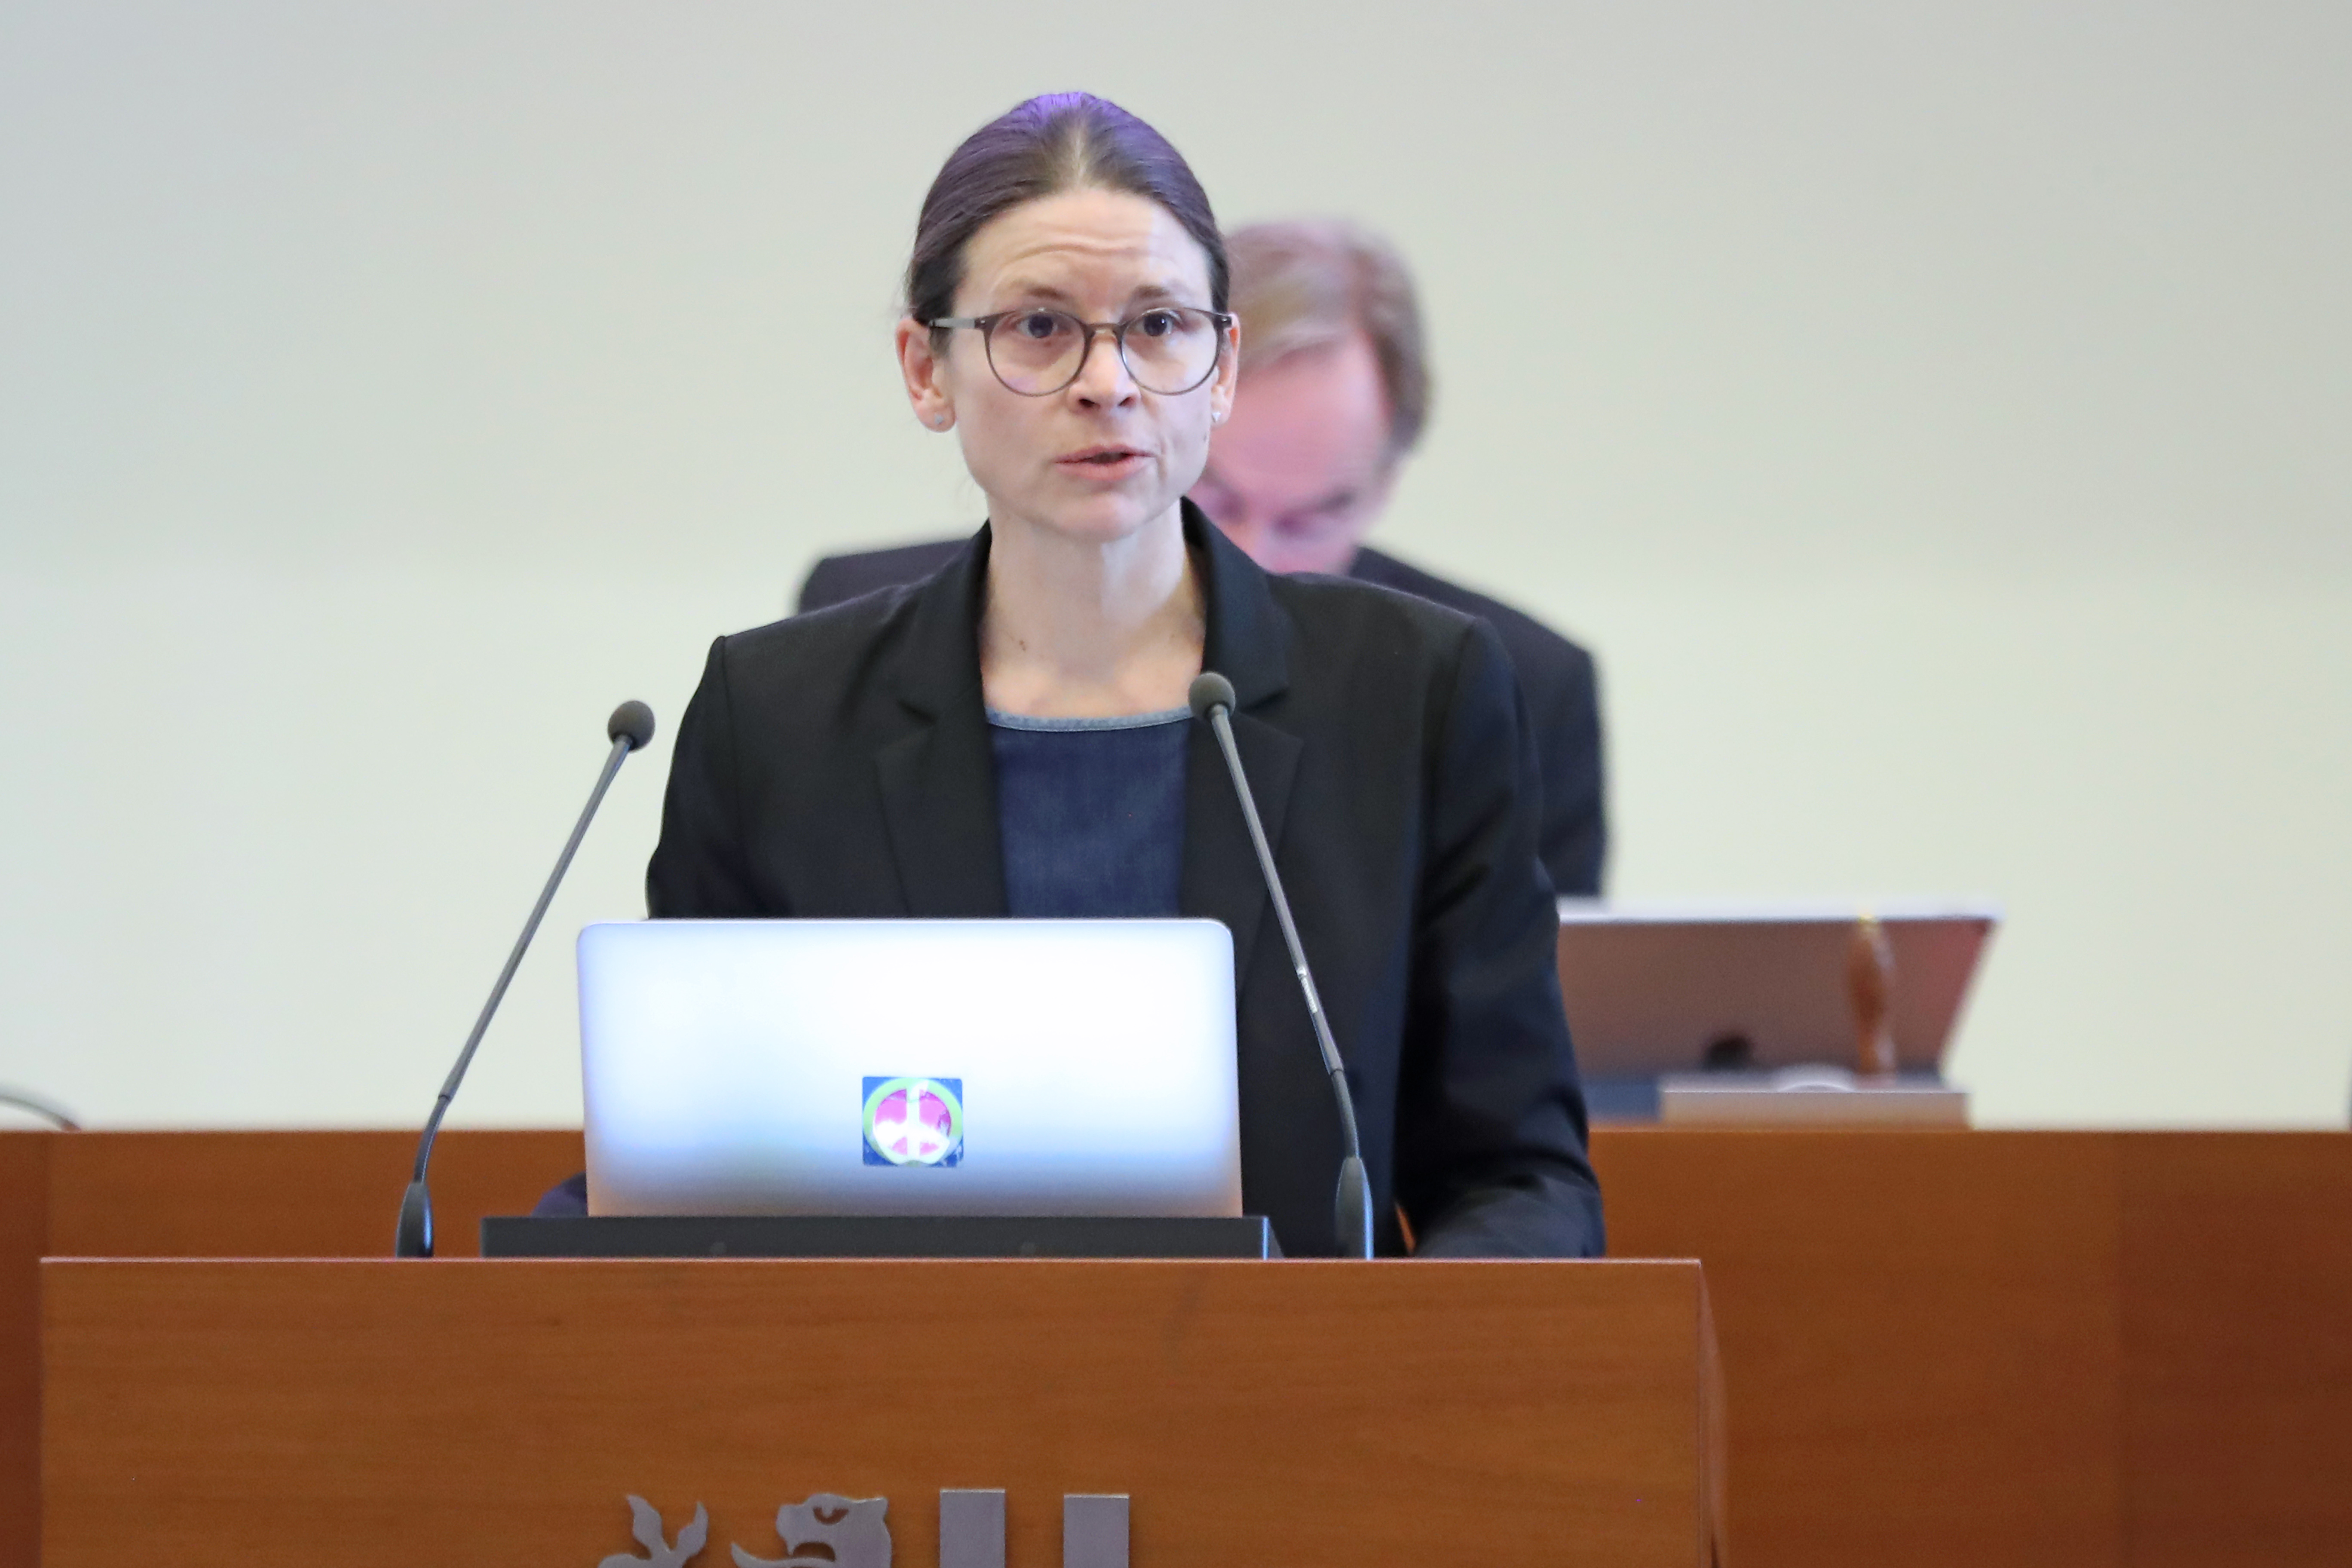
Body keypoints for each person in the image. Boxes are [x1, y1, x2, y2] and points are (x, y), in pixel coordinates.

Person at [634, 93, 1602, 1259]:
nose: (1109, 381)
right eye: (1040, 327)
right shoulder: (775, 719)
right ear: (924, 368)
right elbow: (697, 1167)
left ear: (1221, 365)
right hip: (900, 1408)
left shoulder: (1416, 695)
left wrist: (1387, 1380)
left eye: (1157, 325)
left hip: (1301, 1414)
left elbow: (1514, 1179)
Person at [799, 221, 1608, 895]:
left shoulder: (1515, 682)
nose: (1252, 555)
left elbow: (1542, 1042)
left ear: (1388, 479)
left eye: (1314, 516)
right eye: (1217, 499)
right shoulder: (863, 622)